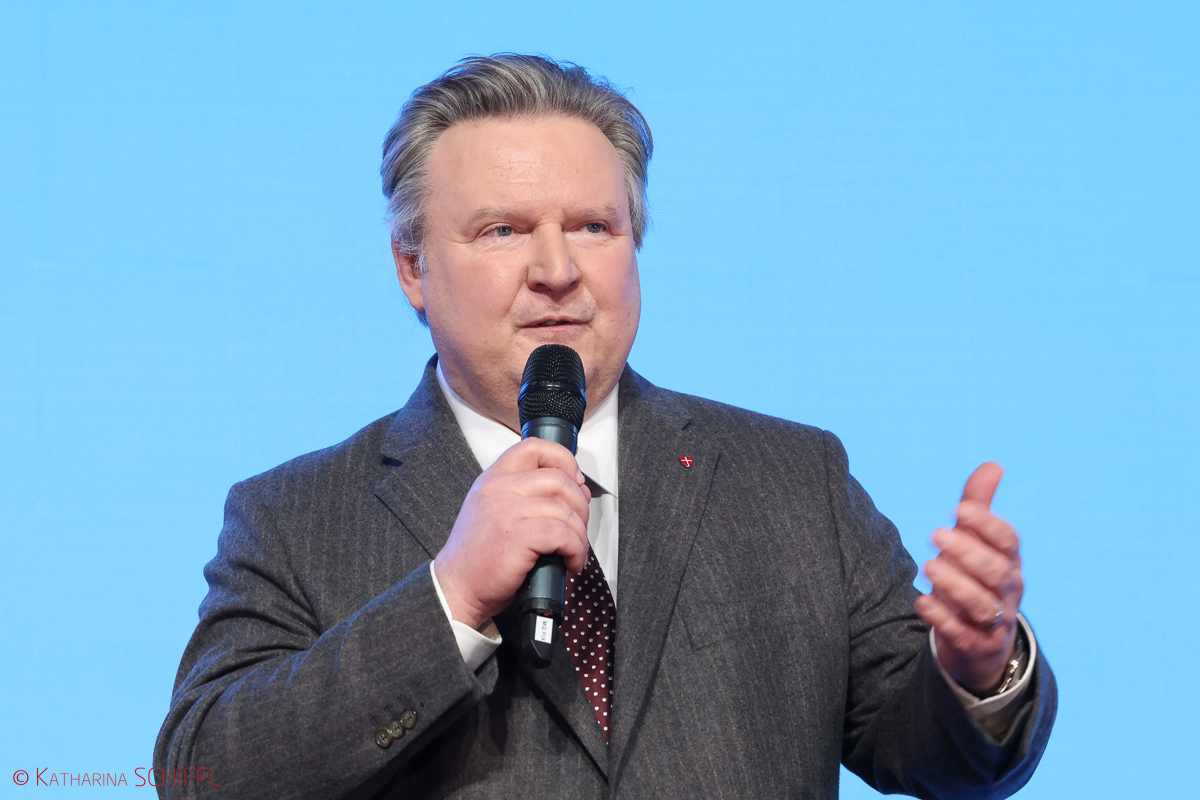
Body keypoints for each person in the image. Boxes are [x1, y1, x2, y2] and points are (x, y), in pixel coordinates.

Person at [154, 54, 1055, 799]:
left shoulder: (792, 479)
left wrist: (980, 670)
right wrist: (450, 600)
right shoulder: (296, 516)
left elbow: (933, 752)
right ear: (412, 267)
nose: (556, 269)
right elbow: (204, 775)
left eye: (593, 225)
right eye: (502, 231)